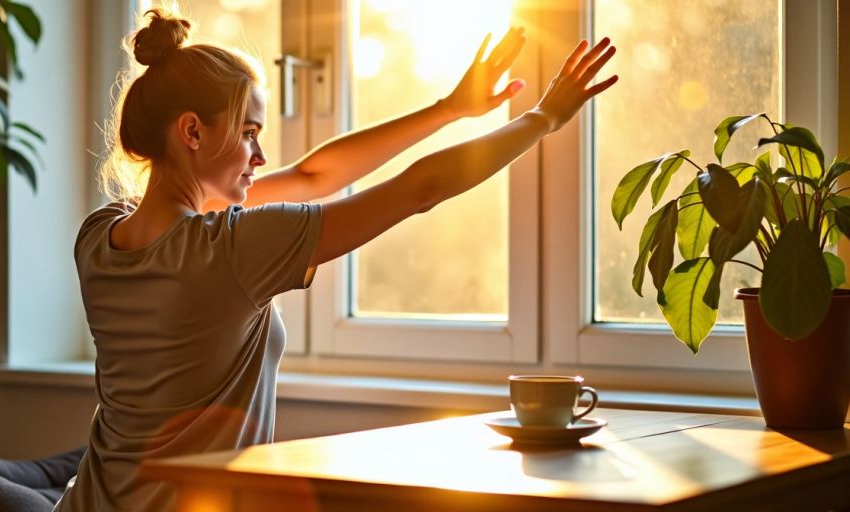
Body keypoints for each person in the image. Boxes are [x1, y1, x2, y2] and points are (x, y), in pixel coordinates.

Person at [54, 7, 617, 512]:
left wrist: (449, 109)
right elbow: (419, 190)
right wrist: (542, 119)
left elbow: (311, 177)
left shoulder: (99, 236)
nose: (261, 155)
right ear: (193, 131)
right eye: (250, 133)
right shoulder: (231, 250)